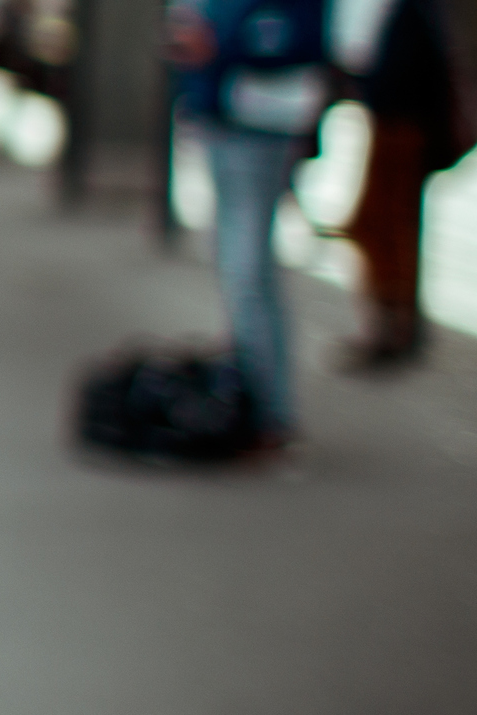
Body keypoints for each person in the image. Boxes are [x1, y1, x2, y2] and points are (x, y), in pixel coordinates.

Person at [169, 0, 333, 445]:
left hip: (257, 118)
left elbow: (290, 36)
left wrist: (216, 44)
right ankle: (252, 393)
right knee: (235, 255)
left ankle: (266, 410)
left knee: (247, 263)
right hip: (228, 112)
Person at [329, 0, 474, 364]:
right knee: (383, 228)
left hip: (400, 127)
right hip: (394, 123)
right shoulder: (415, 11)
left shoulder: (412, 11)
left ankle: (393, 330)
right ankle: (392, 325)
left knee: (384, 231)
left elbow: (407, 69)